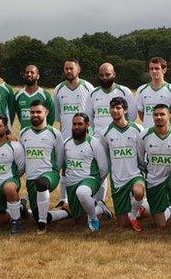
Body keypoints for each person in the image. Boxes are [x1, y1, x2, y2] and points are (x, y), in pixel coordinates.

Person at [87, 63, 133, 215]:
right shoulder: (93, 93)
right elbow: (89, 118)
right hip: (100, 140)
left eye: (107, 74)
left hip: (121, 139)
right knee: (101, 171)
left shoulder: (124, 91)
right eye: (101, 75)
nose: (104, 78)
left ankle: (132, 204)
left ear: (114, 74)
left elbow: (131, 116)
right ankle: (100, 203)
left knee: (124, 171)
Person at [140, 104, 171, 234]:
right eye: (156, 115)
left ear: (169, 116)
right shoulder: (144, 135)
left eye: (162, 114)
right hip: (154, 180)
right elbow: (140, 159)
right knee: (160, 225)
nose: (158, 117)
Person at [19, 100, 66, 234]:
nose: (35, 115)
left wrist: (57, 172)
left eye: (38, 112)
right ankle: (64, 213)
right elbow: (23, 158)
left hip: (50, 174)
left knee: (42, 183)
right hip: (31, 179)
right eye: (32, 112)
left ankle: (42, 224)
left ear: (46, 112)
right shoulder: (23, 133)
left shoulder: (54, 133)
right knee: (37, 214)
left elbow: (60, 156)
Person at [100, 96, 147, 231]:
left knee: (138, 192)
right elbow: (105, 158)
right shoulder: (105, 133)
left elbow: (142, 152)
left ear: (125, 110)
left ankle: (133, 214)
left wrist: (144, 168)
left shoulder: (138, 129)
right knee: (122, 224)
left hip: (134, 175)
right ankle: (141, 209)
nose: (115, 110)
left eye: (118, 108)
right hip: (117, 179)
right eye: (112, 108)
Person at [53, 58, 94, 208]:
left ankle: (95, 199)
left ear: (78, 69)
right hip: (66, 135)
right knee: (65, 168)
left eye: (71, 68)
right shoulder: (58, 88)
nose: (69, 71)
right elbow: (59, 116)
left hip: (84, 136)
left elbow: (92, 113)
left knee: (87, 167)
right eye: (66, 69)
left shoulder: (88, 87)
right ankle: (64, 199)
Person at [61, 113, 109, 232]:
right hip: (72, 183)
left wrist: (96, 183)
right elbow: (65, 165)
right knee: (79, 221)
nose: (76, 127)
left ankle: (93, 218)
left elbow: (104, 168)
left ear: (87, 125)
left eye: (80, 124)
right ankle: (100, 208)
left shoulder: (94, 143)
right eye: (74, 124)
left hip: (89, 179)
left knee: (82, 192)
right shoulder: (66, 142)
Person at [136, 57, 171, 129]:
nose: (154, 71)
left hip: (167, 133)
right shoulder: (141, 90)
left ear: (164, 70)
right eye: (151, 69)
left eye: (157, 68)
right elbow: (141, 115)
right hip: (148, 132)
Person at [15, 64, 56, 130]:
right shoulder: (18, 95)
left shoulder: (46, 95)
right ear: (24, 75)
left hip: (42, 135)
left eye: (32, 72)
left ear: (38, 76)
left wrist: (44, 131)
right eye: (27, 72)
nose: (29, 74)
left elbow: (51, 117)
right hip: (25, 135)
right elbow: (19, 115)